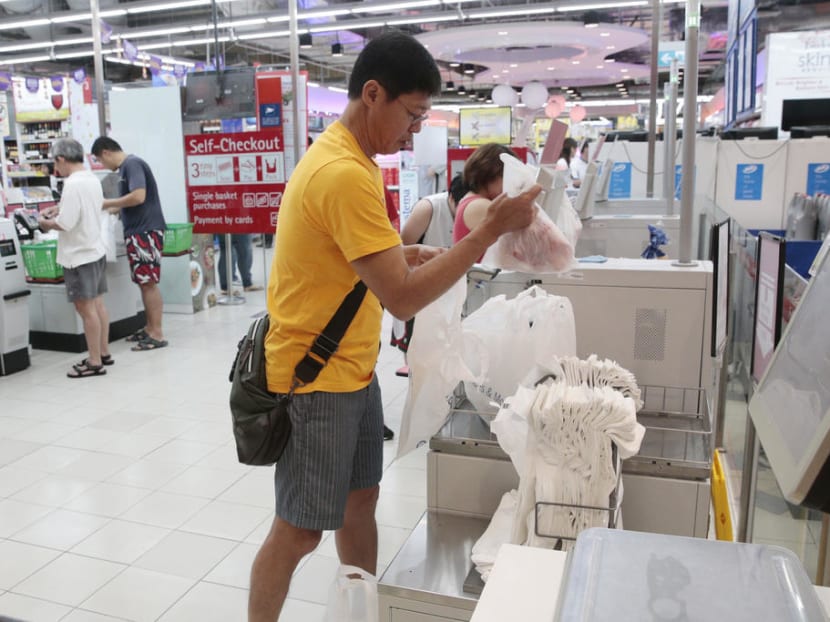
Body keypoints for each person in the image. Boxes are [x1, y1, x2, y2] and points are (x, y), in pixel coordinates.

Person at [248, 31, 540, 621]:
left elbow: (354, 263)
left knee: (362, 501)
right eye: (411, 115)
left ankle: (361, 609)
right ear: (373, 94)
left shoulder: (348, 158)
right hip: (316, 378)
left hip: (353, 370)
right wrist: (486, 231)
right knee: (300, 530)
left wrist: (401, 255)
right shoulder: (344, 173)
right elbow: (402, 302)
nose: (415, 131)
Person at [38, 138, 112, 378]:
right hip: (95, 249)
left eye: (54, 161)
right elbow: (85, 208)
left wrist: (44, 223)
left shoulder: (71, 184)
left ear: (60, 159)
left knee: (85, 308)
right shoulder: (91, 178)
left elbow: (66, 223)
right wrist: (58, 208)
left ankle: (93, 362)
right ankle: (103, 352)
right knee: (98, 305)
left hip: (78, 256)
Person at [91, 136, 168, 351]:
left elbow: (138, 197)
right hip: (139, 231)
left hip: (145, 232)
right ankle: (149, 328)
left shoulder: (131, 164)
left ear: (106, 152)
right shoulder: (126, 168)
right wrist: (106, 210)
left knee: (149, 282)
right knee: (144, 282)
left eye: (100, 160)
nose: (103, 166)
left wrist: (107, 202)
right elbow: (129, 203)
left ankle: (157, 333)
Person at [452, 143, 519, 245]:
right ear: (488, 173)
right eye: (506, 176)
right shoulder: (480, 205)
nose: (510, 183)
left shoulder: (471, 201)